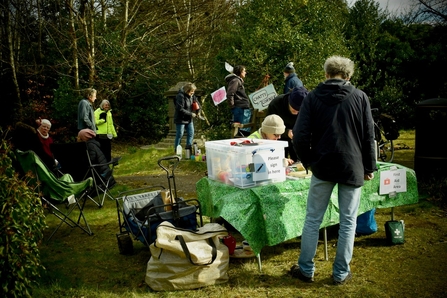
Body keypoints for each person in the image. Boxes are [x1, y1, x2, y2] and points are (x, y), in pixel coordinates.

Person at [290, 56, 377, 285]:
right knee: (348, 221)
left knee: (312, 220)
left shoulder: (312, 98)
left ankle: (306, 270)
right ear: (348, 76)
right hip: (352, 166)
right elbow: (369, 136)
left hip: (323, 165)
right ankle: (340, 274)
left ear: (327, 74)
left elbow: (299, 135)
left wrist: (309, 161)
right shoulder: (360, 97)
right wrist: (370, 167)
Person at [267, 86, 309, 163]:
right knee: (279, 163)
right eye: (294, 109)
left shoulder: (308, 107)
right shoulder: (276, 104)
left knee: (299, 164)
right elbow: (269, 129)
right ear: (289, 101)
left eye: (299, 110)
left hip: (297, 140)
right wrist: (286, 132)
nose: (296, 112)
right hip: (278, 139)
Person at [225, 65, 251, 136]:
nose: (245, 72)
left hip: (241, 107)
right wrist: (232, 106)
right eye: (244, 71)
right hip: (238, 108)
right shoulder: (235, 80)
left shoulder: (238, 80)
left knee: (243, 130)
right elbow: (230, 93)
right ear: (240, 72)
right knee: (239, 130)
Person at [174, 82, 200, 152]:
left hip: (189, 119)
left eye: (194, 91)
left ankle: (188, 149)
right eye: (192, 91)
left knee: (191, 133)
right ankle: (177, 150)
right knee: (180, 134)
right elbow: (180, 109)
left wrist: (198, 112)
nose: (193, 93)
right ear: (187, 90)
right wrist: (191, 114)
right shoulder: (180, 96)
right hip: (180, 119)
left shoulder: (192, 96)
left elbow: (198, 104)